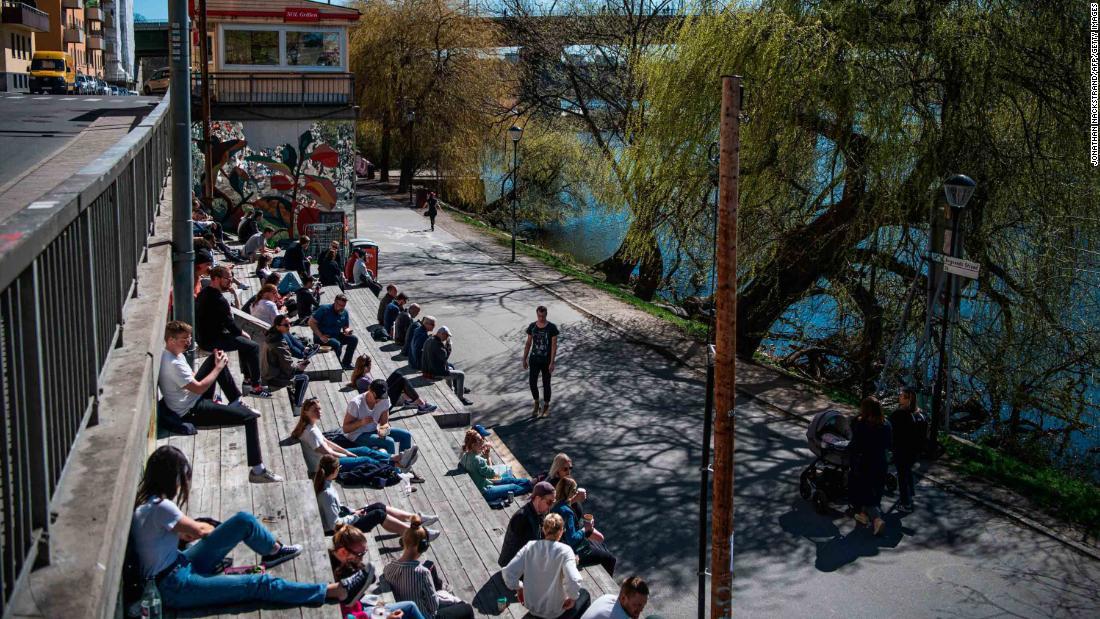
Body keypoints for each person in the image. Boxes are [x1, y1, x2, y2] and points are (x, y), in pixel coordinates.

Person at [130, 446, 370, 610]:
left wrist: (217, 534)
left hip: (178, 564)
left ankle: (273, 550)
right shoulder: (162, 508)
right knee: (259, 583)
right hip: (173, 586)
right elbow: (199, 531)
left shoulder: (147, 505)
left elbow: (185, 532)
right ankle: (333, 591)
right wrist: (217, 534)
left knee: (243, 520)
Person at [159, 321, 282, 483]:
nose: (188, 342)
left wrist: (215, 365)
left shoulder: (172, 353)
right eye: (184, 339)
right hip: (192, 410)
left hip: (190, 398)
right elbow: (199, 388)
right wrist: (218, 368)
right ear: (171, 340)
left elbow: (192, 378)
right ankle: (258, 471)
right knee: (249, 418)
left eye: (189, 337)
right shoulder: (173, 364)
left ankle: (236, 401)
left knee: (214, 357)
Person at [314, 455, 440, 537]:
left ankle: (415, 518)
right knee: (378, 514)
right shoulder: (327, 493)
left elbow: (337, 508)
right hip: (338, 532)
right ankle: (416, 534)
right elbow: (333, 524)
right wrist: (354, 517)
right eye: (339, 468)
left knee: (378, 506)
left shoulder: (325, 484)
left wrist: (353, 512)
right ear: (334, 471)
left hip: (344, 520)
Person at [195, 265, 269, 397]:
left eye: (231, 278)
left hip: (203, 337)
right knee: (253, 346)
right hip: (211, 340)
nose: (230, 282)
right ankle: (256, 387)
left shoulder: (204, 293)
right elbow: (230, 325)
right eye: (228, 279)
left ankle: (247, 379)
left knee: (244, 344)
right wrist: (242, 333)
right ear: (216, 279)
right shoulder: (219, 300)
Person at [292, 398, 419, 474]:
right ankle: (398, 465)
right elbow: (327, 452)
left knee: (364, 450)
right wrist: (348, 455)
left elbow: (327, 442)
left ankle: (398, 458)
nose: (319, 412)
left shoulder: (312, 425)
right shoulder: (311, 432)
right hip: (326, 466)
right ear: (306, 412)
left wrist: (346, 451)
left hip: (330, 457)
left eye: (319, 409)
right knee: (365, 460)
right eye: (315, 410)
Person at [329, 524, 429, 619]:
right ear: (343, 551)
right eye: (360, 554)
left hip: (361, 608)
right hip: (361, 614)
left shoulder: (340, 564)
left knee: (410, 606)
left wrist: (374, 603)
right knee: (411, 609)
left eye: (365, 552)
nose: (361, 559)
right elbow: (349, 616)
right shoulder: (336, 577)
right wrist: (385, 617)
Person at [384, 516, 474, 618]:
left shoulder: (388, 567)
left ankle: (440, 590)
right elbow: (433, 606)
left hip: (402, 609)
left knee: (429, 564)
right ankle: (442, 591)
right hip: (423, 616)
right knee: (467, 608)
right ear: (423, 546)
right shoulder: (422, 573)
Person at [501, 513, 588, 619]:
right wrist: (573, 598)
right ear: (561, 531)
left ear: (543, 529)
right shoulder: (566, 551)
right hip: (556, 611)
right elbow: (574, 580)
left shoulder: (530, 547)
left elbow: (508, 573)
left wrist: (519, 588)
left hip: (533, 608)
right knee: (585, 595)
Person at [551, 477, 615, 576]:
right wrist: (586, 528)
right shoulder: (567, 512)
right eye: (575, 490)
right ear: (571, 492)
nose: (576, 492)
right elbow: (572, 539)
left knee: (602, 547)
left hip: (557, 546)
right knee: (610, 559)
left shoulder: (555, 504)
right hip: (571, 551)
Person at [849, 396, 893, 535]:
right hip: (881, 461)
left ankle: (877, 520)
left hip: (866, 462)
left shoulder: (862, 424)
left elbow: (856, 444)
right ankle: (863, 515)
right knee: (877, 490)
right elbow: (889, 443)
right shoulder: (886, 424)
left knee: (866, 492)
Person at [340, 378, 414, 454]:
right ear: (369, 389)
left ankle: (403, 461)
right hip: (358, 435)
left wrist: (383, 430)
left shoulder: (385, 400)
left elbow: (384, 423)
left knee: (406, 435)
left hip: (374, 430)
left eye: (380, 398)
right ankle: (392, 465)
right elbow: (345, 429)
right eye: (376, 397)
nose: (378, 401)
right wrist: (361, 423)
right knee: (389, 442)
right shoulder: (355, 403)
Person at [460, 429, 532, 504]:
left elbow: (479, 468)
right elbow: (492, 474)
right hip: (486, 491)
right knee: (512, 486)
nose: (483, 442)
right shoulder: (479, 460)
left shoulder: (465, 456)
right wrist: (488, 457)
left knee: (507, 480)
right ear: (473, 445)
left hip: (481, 483)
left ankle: (530, 482)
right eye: (480, 441)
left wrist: (484, 457)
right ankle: (531, 486)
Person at [349, 355, 438, 413]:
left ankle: (410, 400)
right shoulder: (364, 381)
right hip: (380, 408)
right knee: (402, 380)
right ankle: (421, 405)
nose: (371, 367)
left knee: (397, 374)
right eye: (370, 365)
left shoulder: (360, 377)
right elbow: (378, 395)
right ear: (366, 367)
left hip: (379, 399)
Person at [498, 481, 556, 567]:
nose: (551, 506)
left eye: (553, 502)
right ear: (538, 499)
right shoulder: (522, 518)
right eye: (549, 502)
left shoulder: (539, 513)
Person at [262, 316, 310, 415]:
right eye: (286, 325)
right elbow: (287, 367)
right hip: (274, 377)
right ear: (278, 326)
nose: (289, 326)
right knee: (304, 378)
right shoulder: (279, 343)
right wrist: (298, 366)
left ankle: (293, 395)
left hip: (268, 371)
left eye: (290, 324)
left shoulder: (271, 335)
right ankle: (297, 407)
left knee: (299, 372)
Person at [890, 385, 926, 511]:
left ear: (907, 399)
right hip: (914, 451)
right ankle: (910, 494)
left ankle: (906, 503)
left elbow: (892, 430)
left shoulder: (900, 414)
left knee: (902, 475)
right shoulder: (920, 415)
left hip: (902, 450)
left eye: (901, 395)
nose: (899, 396)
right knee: (907, 471)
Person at [524, 306, 560, 418]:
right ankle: (536, 403)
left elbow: (554, 346)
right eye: (539, 316)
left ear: (546, 315)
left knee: (546, 384)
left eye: (543, 316)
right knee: (532, 382)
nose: (541, 318)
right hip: (534, 359)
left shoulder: (552, 328)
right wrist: (524, 358)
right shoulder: (532, 326)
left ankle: (546, 406)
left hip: (546, 361)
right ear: (537, 314)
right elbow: (528, 343)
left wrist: (552, 362)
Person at [422, 326, 472, 406]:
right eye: (446, 335)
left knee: (450, 368)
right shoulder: (437, 344)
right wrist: (449, 346)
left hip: (427, 369)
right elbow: (445, 357)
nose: (447, 338)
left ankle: (451, 391)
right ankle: (461, 398)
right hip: (434, 373)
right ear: (440, 334)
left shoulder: (429, 339)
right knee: (461, 374)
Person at [309, 293, 358, 370]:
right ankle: (338, 365)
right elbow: (311, 322)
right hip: (322, 337)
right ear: (335, 302)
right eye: (340, 305)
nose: (341, 307)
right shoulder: (324, 309)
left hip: (336, 335)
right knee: (336, 344)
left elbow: (345, 327)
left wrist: (347, 331)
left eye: (343, 306)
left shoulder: (344, 312)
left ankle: (346, 363)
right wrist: (320, 335)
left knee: (354, 339)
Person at [580, 576, 649, 619]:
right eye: (637, 605)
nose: (641, 610)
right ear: (623, 598)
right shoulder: (618, 616)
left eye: (643, 606)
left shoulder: (607, 597)